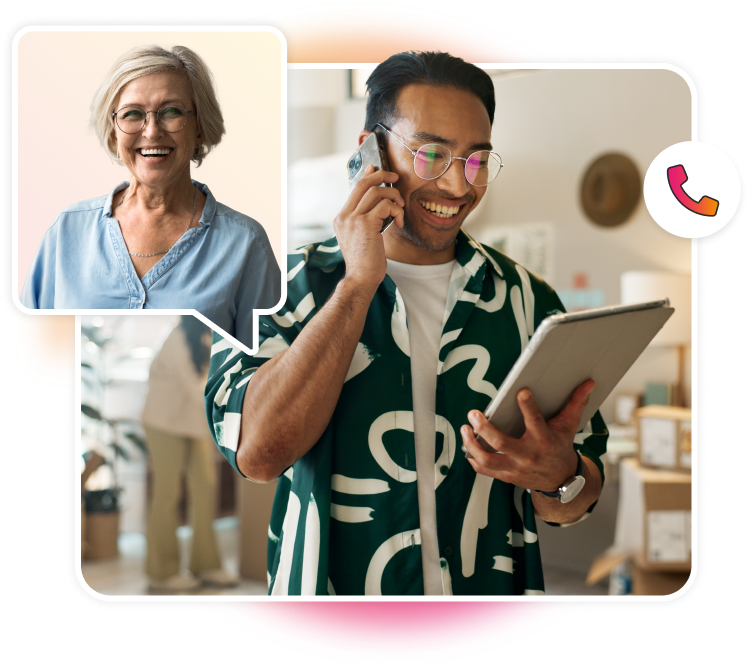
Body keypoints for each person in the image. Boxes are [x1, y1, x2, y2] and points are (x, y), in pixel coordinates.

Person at [206, 51, 608, 595]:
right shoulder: (275, 284)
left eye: (475, 160)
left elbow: (577, 499)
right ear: (370, 150)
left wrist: (561, 478)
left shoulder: (530, 301)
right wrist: (355, 287)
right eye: (431, 154)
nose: (459, 187)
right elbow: (256, 454)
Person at [20, 45, 280, 345]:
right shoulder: (66, 232)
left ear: (199, 128)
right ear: (114, 131)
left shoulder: (245, 244)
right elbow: (30, 352)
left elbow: (265, 373)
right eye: (133, 114)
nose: (152, 131)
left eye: (171, 112)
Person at [142, 316, 238, 592]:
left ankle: (206, 564)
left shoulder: (213, 335)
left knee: (206, 488)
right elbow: (199, 391)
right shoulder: (177, 338)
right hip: (164, 422)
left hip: (192, 424)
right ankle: (161, 572)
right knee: (168, 493)